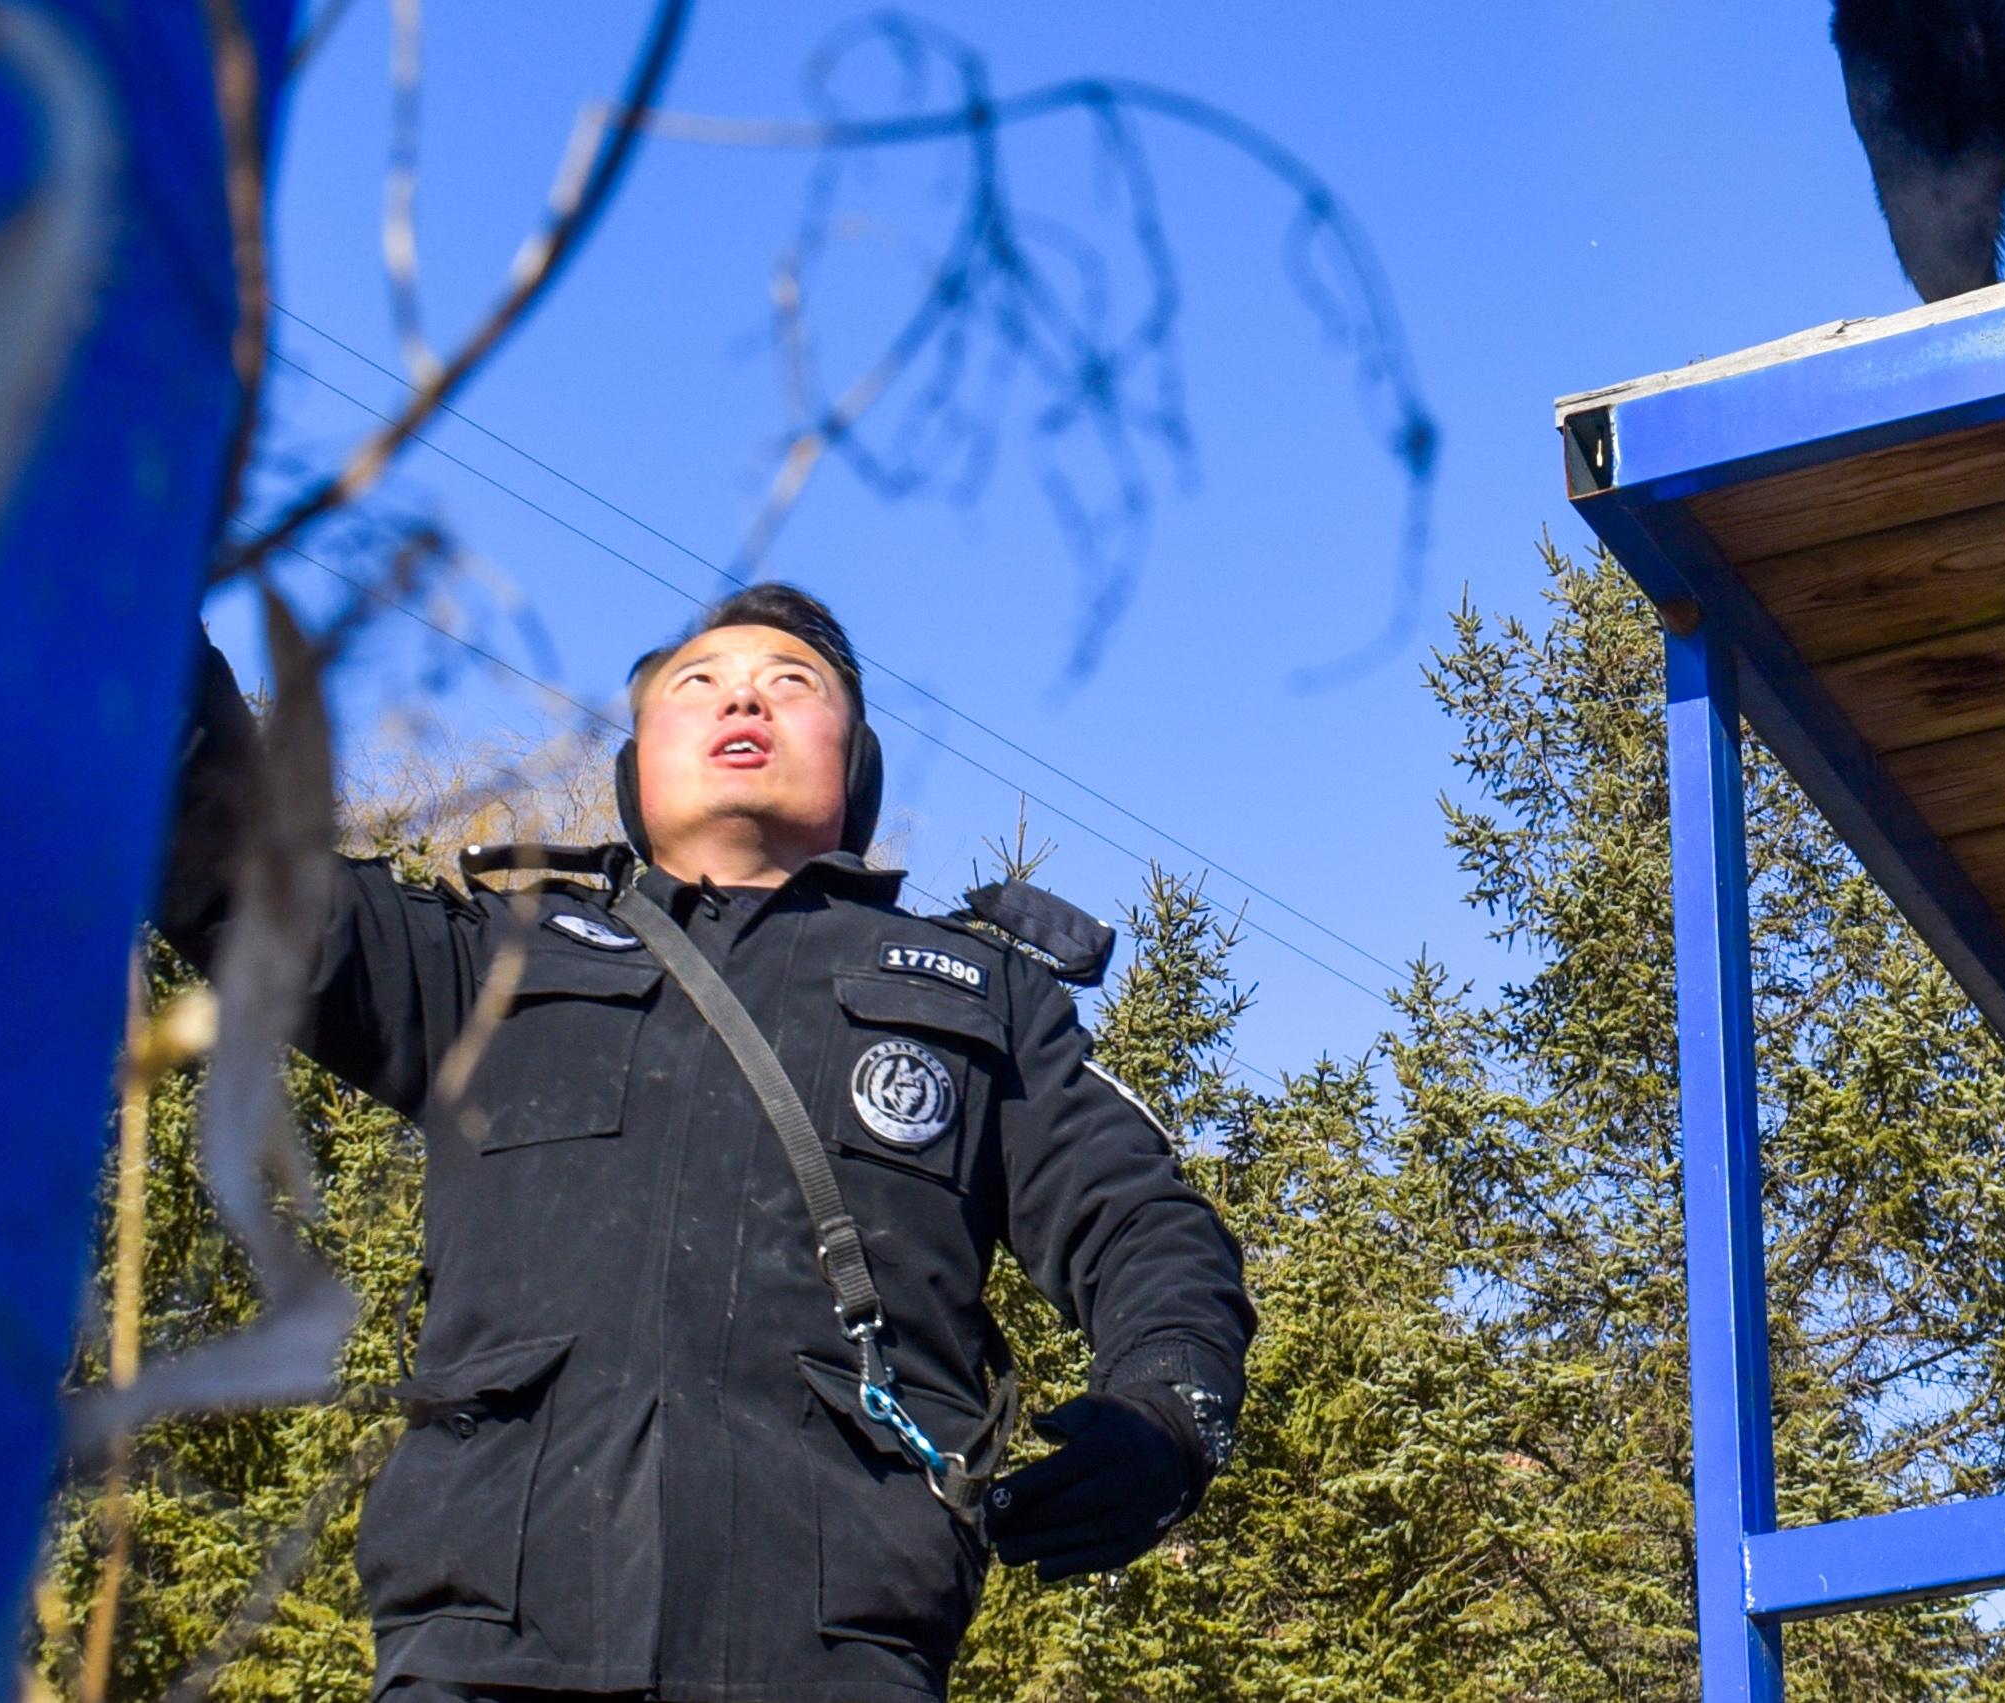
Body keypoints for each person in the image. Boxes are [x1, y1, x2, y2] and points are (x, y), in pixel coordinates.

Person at [162, 581, 1251, 1703]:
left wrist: (1169, 1413)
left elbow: (1147, 1227)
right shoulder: (483, 960)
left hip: (837, 1660)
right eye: (699, 681)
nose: (744, 697)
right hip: (481, 1653)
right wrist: (139, 584)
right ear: (635, 767)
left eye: (793, 682)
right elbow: (225, 861)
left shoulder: (985, 999)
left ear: (857, 764)